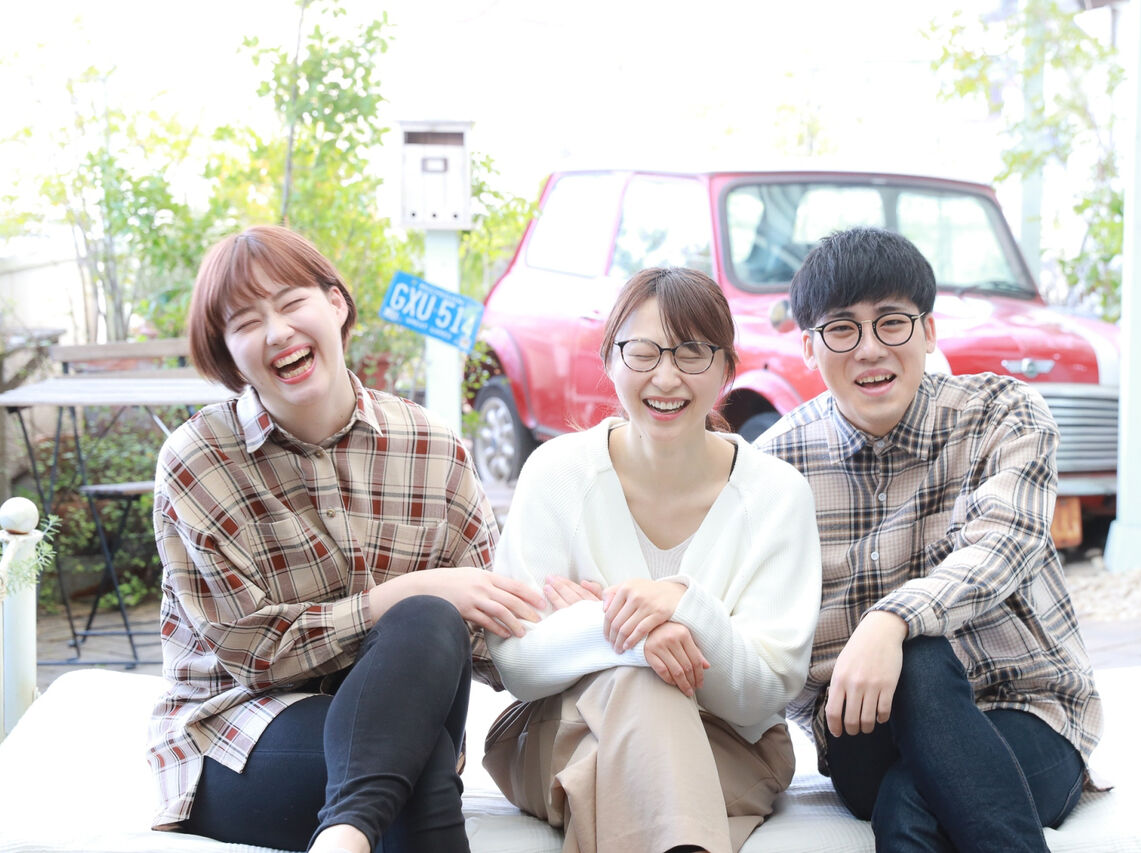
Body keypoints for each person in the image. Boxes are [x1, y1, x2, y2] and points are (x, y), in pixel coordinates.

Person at [146, 225, 546, 853]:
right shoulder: (200, 460)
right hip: (243, 734)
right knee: (420, 763)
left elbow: (488, 632)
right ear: (227, 352)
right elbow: (255, 656)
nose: (276, 332)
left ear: (335, 304)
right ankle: (350, 832)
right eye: (247, 322)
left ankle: (343, 837)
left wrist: (580, 616)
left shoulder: (430, 446)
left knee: (430, 619)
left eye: (291, 303)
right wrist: (396, 596)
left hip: (409, 714)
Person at [755, 226, 1102, 852]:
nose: (870, 349)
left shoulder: (1002, 413)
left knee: (909, 806)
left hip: (1026, 712)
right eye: (842, 329)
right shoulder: (774, 467)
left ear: (929, 331)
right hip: (865, 728)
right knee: (914, 666)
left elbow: (1005, 545)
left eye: (892, 322)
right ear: (808, 347)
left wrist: (890, 620)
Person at [481, 267, 822, 853]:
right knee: (642, 686)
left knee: (630, 742)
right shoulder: (557, 473)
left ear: (727, 367)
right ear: (609, 360)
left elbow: (763, 693)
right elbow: (518, 662)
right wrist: (639, 636)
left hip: (727, 747)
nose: (666, 376)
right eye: (642, 353)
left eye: (692, 353)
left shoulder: (776, 493)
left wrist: (678, 605)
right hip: (563, 731)